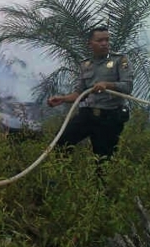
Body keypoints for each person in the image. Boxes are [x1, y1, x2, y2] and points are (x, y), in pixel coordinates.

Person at [47, 26, 134, 163]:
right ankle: (62, 176)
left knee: (103, 160)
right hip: (88, 114)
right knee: (61, 141)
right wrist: (62, 99)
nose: (104, 43)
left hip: (109, 117)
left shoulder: (120, 60)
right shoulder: (86, 65)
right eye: (100, 40)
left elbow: (128, 86)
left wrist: (108, 85)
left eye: (107, 40)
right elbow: (79, 93)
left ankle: (100, 183)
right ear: (90, 44)